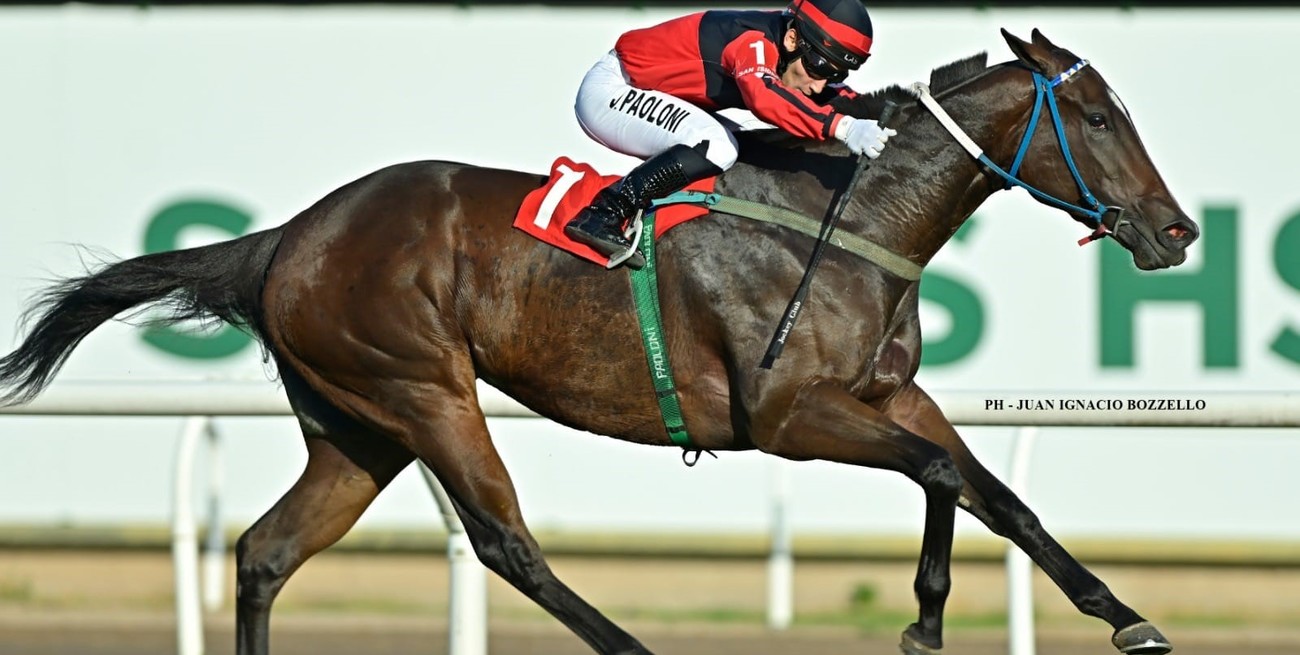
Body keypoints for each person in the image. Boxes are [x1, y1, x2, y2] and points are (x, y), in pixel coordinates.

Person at [566, 0, 896, 269]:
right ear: (793, 39)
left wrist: (892, 111)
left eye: (834, 73)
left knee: (753, 145)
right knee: (717, 145)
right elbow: (764, 97)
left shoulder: (790, 43)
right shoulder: (753, 40)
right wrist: (843, 127)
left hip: (645, 91)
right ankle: (602, 214)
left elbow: (839, 97)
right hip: (613, 89)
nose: (820, 84)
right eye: (818, 68)